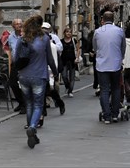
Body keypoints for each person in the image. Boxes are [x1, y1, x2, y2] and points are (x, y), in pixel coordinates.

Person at [17, 14, 58, 149]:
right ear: (40, 26)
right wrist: (55, 72)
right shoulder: (44, 38)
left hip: (23, 76)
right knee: (38, 105)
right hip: (39, 75)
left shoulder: (22, 39)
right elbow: (50, 59)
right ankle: (33, 127)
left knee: (28, 104)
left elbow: (16, 58)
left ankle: (31, 130)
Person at [93, 11, 125, 124]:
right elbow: (123, 48)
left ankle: (106, 116)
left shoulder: (97, 32)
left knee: (104, 90)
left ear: (103, 19)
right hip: (115, 64)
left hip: (102, 65)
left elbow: (95, 48)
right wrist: (120, 58)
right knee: (116, 89)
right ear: (113, 19)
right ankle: (115, 114)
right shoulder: (120, 31)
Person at [6, 18, 26, 113]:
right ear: (13, 26)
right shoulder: (10, 37)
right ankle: (21, 102)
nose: (19, 25)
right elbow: (11, 49)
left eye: (20, 23)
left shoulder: (26, 35)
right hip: (15, 63)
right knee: (12, 83)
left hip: (25, 63)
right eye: (17, 24)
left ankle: (25, 105)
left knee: (24, 84)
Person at [61, 27, 80, 97]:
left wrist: (77, 58)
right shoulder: (61, 41)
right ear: (64, 33)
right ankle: (67, 86)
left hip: (72, 61)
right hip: (64, 60)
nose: (68, 33)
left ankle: (70, 91)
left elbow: (78, 49)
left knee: (72, 77)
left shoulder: (74, 41)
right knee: (64, 75)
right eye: (67, 32)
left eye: (70, 32)